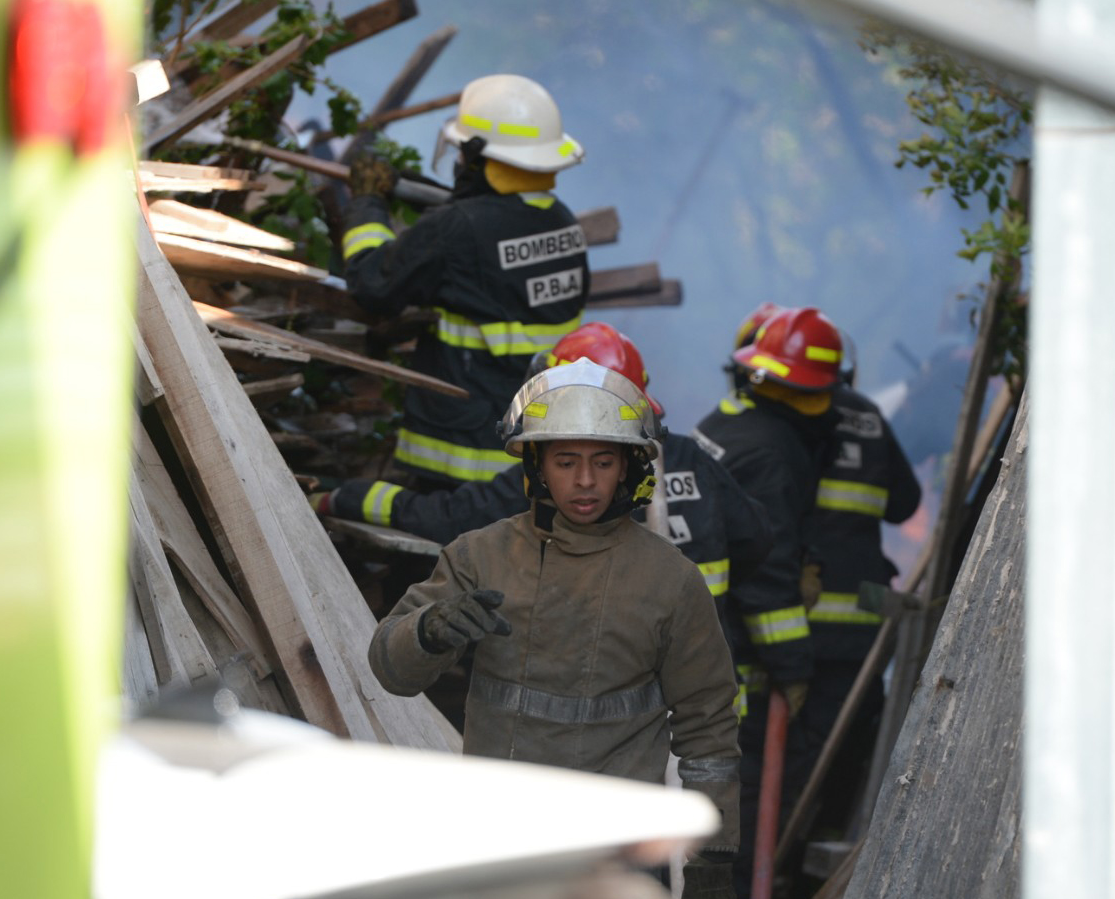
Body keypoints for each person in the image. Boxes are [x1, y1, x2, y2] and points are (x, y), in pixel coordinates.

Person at [368, 360, 742, 898]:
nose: (584, 481)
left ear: (629, 469)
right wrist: (429, 630)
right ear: (538, 466)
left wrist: (712, 857)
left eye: (603, 461)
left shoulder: (671, 581)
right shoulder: (480, 556)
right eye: (566, 461)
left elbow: (708, 726)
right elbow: (389, 668)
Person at [310, 324, 772, 605]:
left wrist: (341, 496)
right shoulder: (693, 458)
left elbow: (443, 518)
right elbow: (754, 538)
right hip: (705, 696)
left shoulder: (555, 476)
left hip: (618, 701)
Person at [342, 74, 590, 489]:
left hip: (459, 458)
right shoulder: (561, 222)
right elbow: (485, 222)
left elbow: (373, 284)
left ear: (477, 157)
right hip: (532, 448)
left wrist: (367, 203)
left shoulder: (458, 229)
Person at [693, 306, 845, 894]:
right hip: (734, 658)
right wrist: (795, 667)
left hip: (702, 634)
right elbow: (765, 578)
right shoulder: (775, 453)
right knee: (745, 793)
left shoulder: (730, 418)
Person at [794, 334, 921, 835]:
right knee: (851, 737)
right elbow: (905, 504)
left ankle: (787, 860)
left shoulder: (794, 421)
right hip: (863, 624)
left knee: (796, 745)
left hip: (801, 622)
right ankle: (818, 848)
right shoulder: (870, 415)